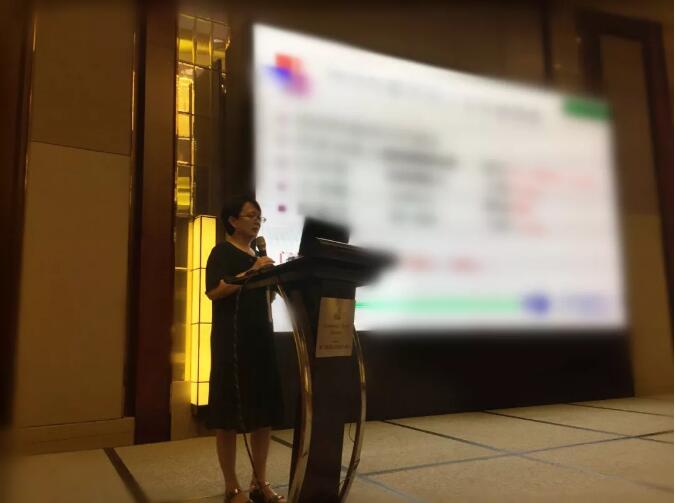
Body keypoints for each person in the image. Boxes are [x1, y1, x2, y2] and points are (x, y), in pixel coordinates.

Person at [205, 195, 285, 503]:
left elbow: (265, 297)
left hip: (260, 340)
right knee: (228, 417)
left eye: (259, 217)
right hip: (232, 343)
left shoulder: (258, 255)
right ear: (232, 220)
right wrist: (252, 271)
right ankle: (232, 487)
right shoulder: (222, 252)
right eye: (250, 215)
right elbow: (215, 291)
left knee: (263, 414)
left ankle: (259, 482)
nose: (256, 221)